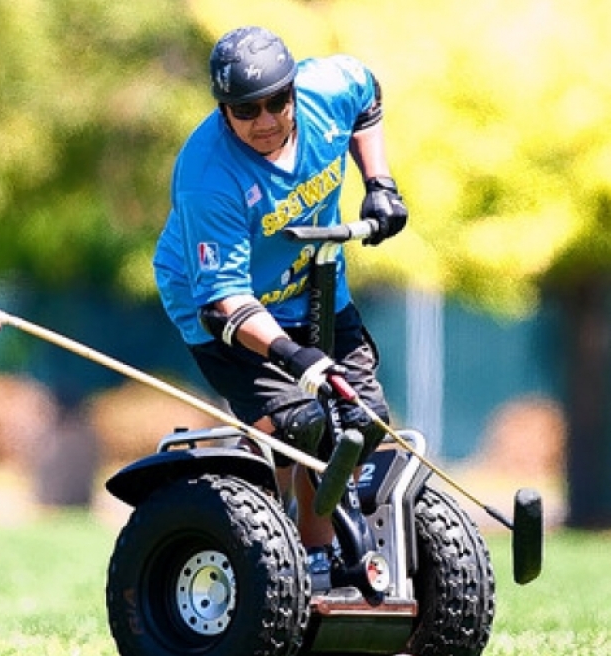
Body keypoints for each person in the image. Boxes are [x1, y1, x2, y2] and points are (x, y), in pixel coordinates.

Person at [152, 26, 408, 590]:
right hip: (224, 307)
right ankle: (303, 557)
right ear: (224, 110)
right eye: (246, 111)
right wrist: (300, 358)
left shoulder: (328, 89)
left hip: (313, 283)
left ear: (293, 90)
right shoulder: (207, 176)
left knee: (363, 423)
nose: (265, 120)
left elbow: (368, 94)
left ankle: (296, 511)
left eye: (276, 102)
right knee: (305, 425)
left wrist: (379, 182)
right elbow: (223, 303)